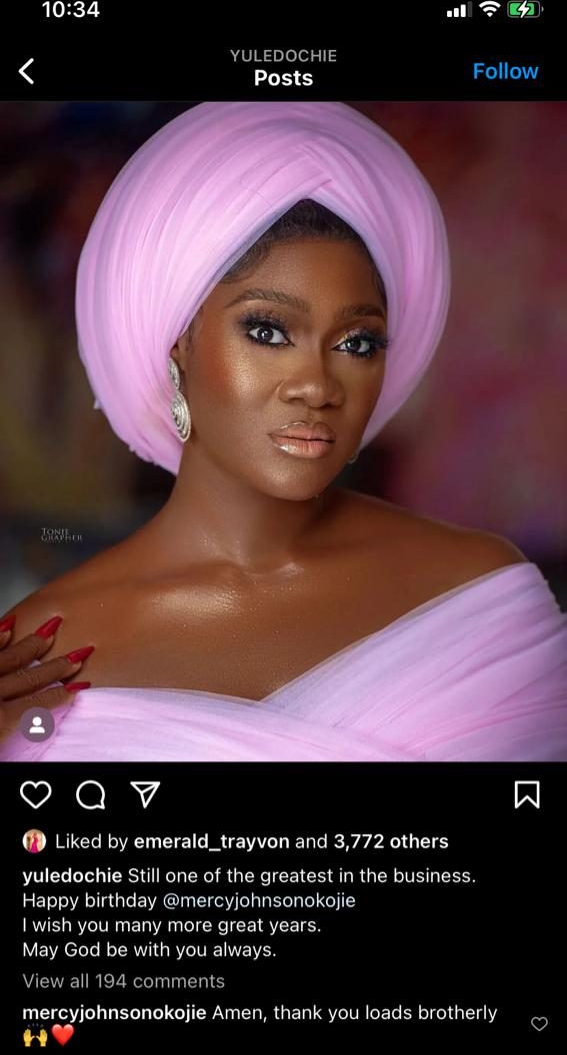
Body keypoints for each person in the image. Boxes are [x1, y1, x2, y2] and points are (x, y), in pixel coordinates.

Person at [0, 102, 566, 761]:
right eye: (267, 331)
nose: (317, 385)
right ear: (177, 343)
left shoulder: (482, 596)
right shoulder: (40, 651)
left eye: (356, 342)